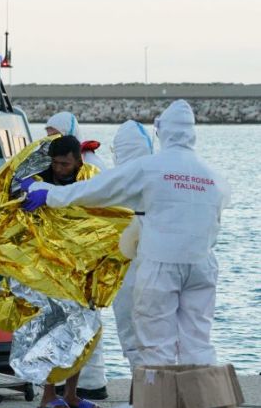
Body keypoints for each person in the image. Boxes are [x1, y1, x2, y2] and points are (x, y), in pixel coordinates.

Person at [24, 100, 230, 369]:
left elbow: (97, 190)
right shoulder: (213, 176)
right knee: (198, 343)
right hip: (203, 264)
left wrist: (50, 194)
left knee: (157, 345)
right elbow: (214, 223)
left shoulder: (150, 168)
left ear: (163, 132)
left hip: (161, 263)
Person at [19, 135, 108, 408]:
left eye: (65, 164)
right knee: (51, 329)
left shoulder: (90, 181)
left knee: (82, 330)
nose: (59, 169)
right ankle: (48, 395)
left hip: (82, 267)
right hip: (51, 269)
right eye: (55, 163)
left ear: (78, 161)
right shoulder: (38, 182)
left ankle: (70, 394)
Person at [102, 120, 155, 408]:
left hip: (130, 266)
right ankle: (144, 402)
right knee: (154, 336)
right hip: (161, 267)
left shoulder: (118, 179)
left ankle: (144, 407)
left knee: (132, 336)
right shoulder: (161, 176)